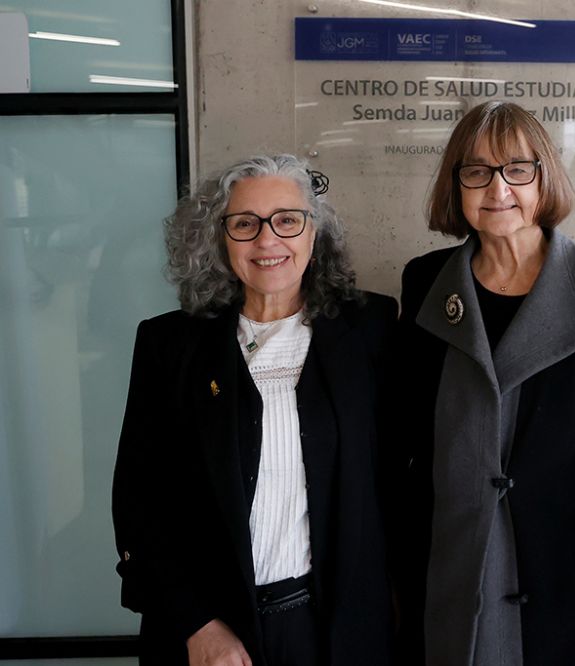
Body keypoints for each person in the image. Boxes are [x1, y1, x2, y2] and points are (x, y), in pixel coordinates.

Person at [390, 100, 575, 666]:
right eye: (476, 171)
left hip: (569, 598)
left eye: (518, 169)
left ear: (545, 178)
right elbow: (409, 451)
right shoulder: (424, 283)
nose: (498, 188)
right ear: (456, 184)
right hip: (449, 588)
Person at [112, 155, 394, 665]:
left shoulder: (371, 330)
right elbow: (139, 501)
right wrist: (196, 624)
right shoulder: (170, 344)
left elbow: (401, 482)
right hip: (211, 636)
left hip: (333, 630)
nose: (268, 241)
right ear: (218, 240)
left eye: (287, 220)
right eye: (245, 224)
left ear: (315, 233)